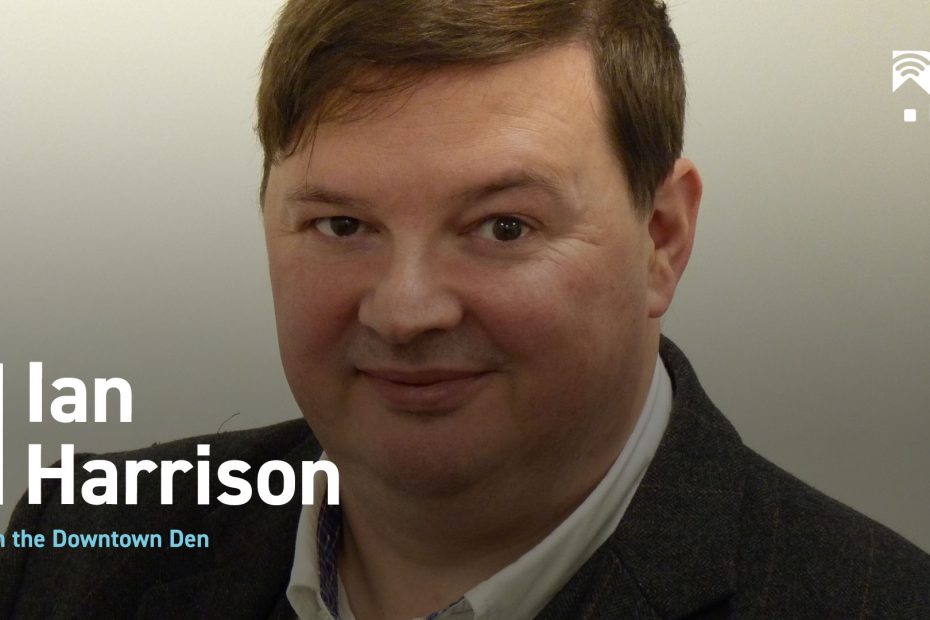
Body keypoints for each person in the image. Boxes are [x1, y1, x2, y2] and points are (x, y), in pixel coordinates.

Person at [2, 1, 928, 618]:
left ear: (662, 238)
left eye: (503, 227)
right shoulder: (78, 546)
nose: (405, 312)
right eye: (342, 224)